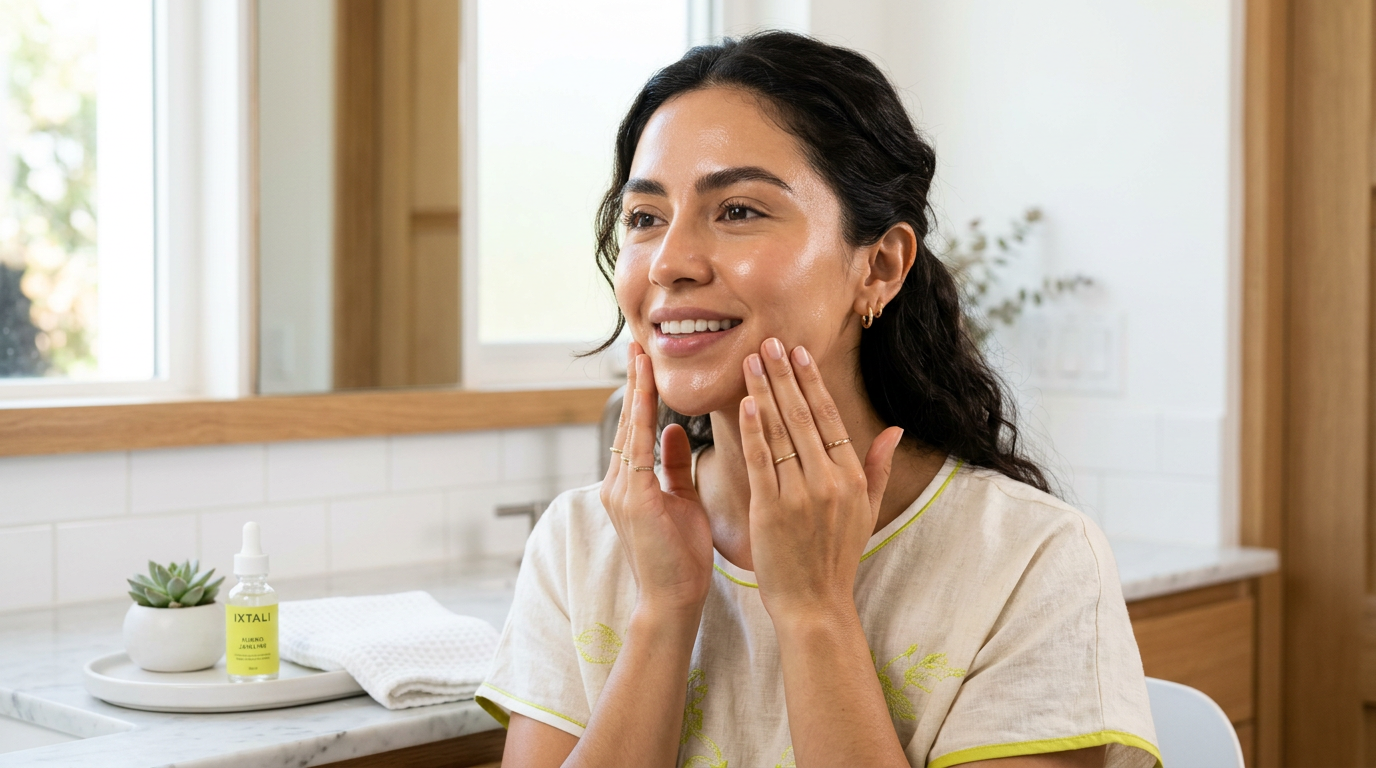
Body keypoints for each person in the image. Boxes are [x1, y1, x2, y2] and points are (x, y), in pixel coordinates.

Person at [476, 31, 1159, 768]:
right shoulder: (582, 543)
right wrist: (664, 613)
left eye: (738, 210)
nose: (670, 262)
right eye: (645, 218)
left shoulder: (1031, 561)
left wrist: (815, 613)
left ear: (881, 266)